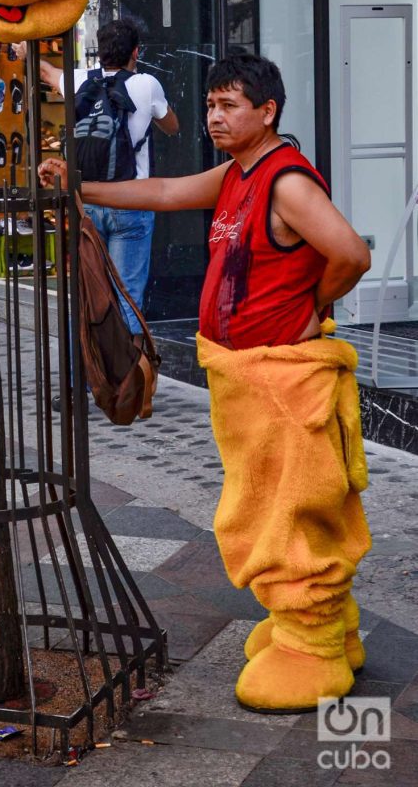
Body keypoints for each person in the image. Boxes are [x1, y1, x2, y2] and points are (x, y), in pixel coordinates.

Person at [39, 54, 372, 714]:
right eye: (213, 106)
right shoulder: (237, 174)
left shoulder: (285, 182)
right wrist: (82, 189)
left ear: (266, 111)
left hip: (282, 377)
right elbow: (165, 192)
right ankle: (324, 628)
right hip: (245, 374)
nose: (216, 118)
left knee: (284, 514)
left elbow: (352, 253)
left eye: (231, 106)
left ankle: (314, 648)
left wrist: (315, 310)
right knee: (276, 507)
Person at [36, 19, 179, 339]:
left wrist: (21, 49)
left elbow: (45, 71)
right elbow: (172, 126)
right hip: (132, 202)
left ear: (100, 53)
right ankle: (126, 379)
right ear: (135, 52)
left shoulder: (80, 80)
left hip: (89, 202)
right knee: (127, 295)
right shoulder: (146, 84)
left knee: (88, 294)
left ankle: (79, 380)